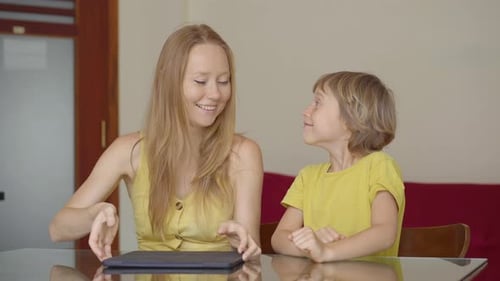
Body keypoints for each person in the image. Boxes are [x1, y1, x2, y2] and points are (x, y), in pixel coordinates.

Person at [49, 24, 263, 262]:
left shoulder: (244, 153)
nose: (215, 94)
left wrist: (243, 244)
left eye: (224, 81)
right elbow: (57, 228)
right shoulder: (127, 150)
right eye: (201, 81)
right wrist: (95, 213)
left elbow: (251, 252)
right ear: (169, 83)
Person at [271, 71, 405, 262]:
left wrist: (327, 252)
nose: (306, 111)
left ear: (350, 119)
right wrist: (312, 247)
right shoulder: (307, 177)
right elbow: (279, 238)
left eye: (317, 103)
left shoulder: (380, 166)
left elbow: (384, 233)